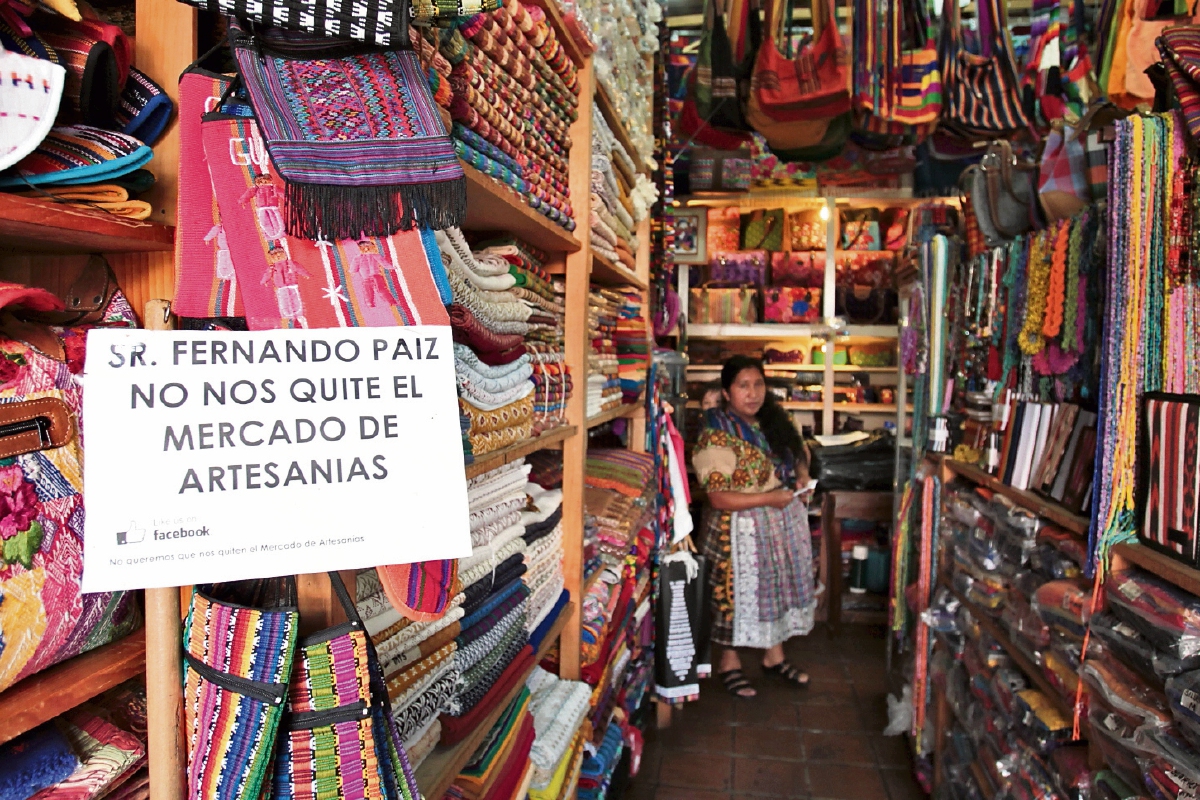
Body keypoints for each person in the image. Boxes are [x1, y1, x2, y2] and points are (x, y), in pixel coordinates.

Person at [693, 355, 816, 697]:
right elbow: (718, 497)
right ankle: (729, 663)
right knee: (734, 596)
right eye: (743, 386)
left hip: (776, 523)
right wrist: (769, 499)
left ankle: (773, 656)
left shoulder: (774, 420)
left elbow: (799, 451)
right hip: (736, 530)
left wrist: (802, 476)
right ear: (727, 392)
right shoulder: (716, 434)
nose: (753, 393)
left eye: (758, 384)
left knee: (773, 588)